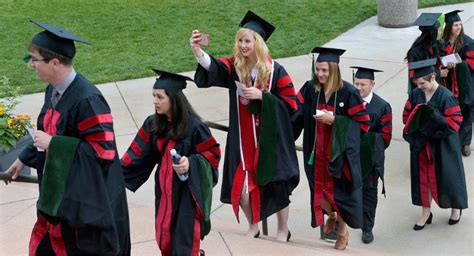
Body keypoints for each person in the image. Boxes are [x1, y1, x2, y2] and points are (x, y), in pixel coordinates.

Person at [5, 21, 131, 255]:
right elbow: (47, 132)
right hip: (61, 195)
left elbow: (103, 152)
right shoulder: (53, 89)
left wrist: (54, 144)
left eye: (34, 59)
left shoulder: (88, 100)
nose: (31, 65)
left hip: (88, 204)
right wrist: (24, 158)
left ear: (55, 63)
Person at [190, 10, 299, 242]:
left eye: (247, 41)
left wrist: (263, 96)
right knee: (240, 191)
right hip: (243, 140)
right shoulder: (236, 67)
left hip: (271, 141)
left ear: (258, 43)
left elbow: (291, 106)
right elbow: (214, 68)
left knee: (277, 187)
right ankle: (254, 224)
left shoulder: (276, 72)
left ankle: (283, 229)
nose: (242, 45)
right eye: (240, 40)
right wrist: (198, 52)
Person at [121, 70, 221, 256]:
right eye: (154, 96)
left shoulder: (195, 127)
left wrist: (191, 163)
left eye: (160, 97)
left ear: (173, 99)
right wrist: (110, 172)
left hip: (187, 195)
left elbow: (213, 154)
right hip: (164, 192)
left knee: (185, 243)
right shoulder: (153, 124)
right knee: (165, 238)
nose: (155, 101)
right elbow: (134, 156)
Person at [292, 47, 370, 250]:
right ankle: (333, 215)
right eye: (318, 69)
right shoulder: (310, 89)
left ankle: (342, 231)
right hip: (314, 153)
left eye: (325, 70)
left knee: (340, 194)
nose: (320, 74)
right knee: (320, 192)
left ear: (334, 70)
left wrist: (335, 120)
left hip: (339, 154)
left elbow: (363, 124)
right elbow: (295, 114)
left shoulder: (349, 92)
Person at [403, 58, 468, 231]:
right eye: (417, 83)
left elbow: (455, 122)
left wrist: (434, 124)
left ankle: (456, 208)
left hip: (444, 144)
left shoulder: (446, 96)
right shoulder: (416, 94)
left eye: (422, 83)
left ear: (433, 78)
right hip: (423, 143)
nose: (419, 87)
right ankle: (426, 212)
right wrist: (417, 126)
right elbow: (406, 115)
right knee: (423, 179)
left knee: (449, 177)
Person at [351, 66, 392, 244]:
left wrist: (364, 141)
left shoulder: (382, 106)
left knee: (368, 193)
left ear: (373, 84)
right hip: (349, 156)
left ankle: (367, 228)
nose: (359, 88)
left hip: (371, 159)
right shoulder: (349, 100)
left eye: (363, 84)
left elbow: (386, 137)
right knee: (346, 190)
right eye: (356, 83)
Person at [439, 10, 474, 157]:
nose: (458, 27)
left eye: (460, 24)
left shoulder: (468, 42)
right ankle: (452, 141)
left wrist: (459, 64)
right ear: (449, 27)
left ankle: (465, 143)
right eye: (455, 25)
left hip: (464, 84)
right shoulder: (442, 42)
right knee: (450, 111)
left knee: (466, 110)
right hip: (447, 82)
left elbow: (472, 62)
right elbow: (438, 59)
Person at [406, 13, 446, 93]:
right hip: (422, 90)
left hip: (437, 87)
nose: (441, 32)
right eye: (439, 30)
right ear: (432, 32)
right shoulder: (416, 52)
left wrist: (448, 63)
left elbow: (440, 60)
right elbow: (414, 77)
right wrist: (438, 73)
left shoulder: (437, 44)